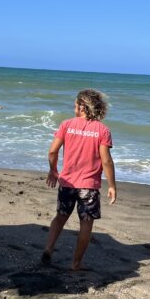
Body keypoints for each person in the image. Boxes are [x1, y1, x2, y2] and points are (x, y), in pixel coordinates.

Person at [41, 89, 117, 270]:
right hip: (88, 187)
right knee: (86, 223)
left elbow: (52, 151)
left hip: (67, 183)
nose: (74, 107)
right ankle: (76, 263)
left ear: (82, 107)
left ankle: (48, 249)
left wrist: (53, 170)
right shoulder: (102, 130)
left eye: (75, 104)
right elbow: (106, 159)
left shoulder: (66, 125)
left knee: (60, 217)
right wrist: (112, 185)